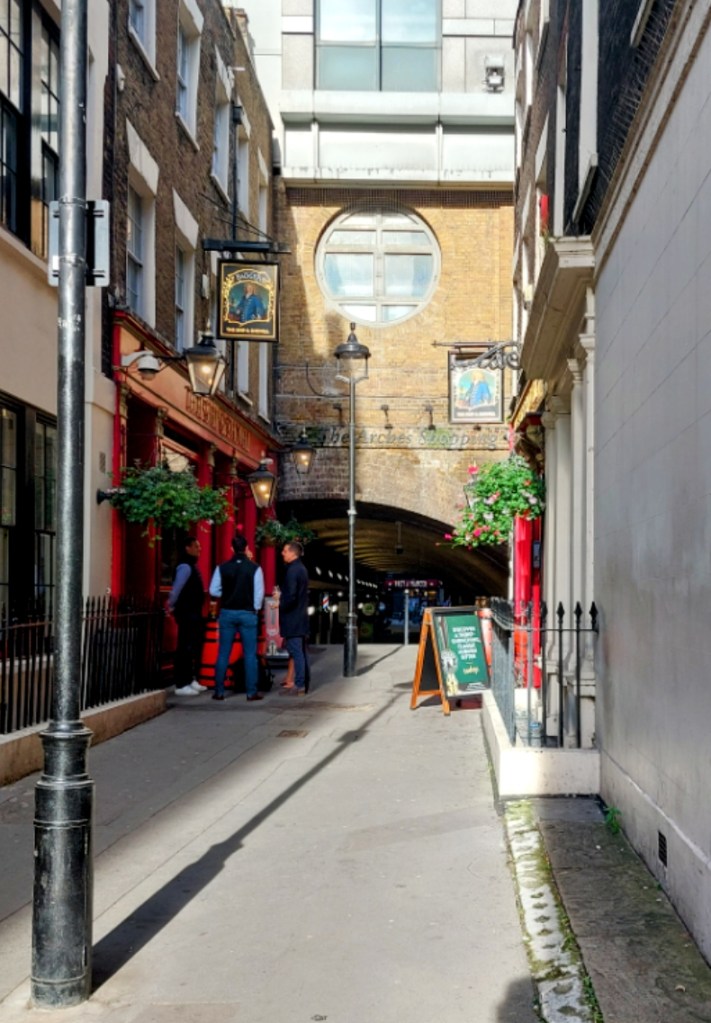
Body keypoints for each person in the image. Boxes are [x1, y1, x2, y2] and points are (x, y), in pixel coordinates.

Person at [209, 534, 265, 702]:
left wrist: (226, 593)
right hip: (248, 613)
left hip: (227, 613)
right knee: (250, 655)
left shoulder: (222, 568)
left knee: (223, 653)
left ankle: (219, 692)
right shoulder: (255, 568)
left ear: (231, 548)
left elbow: (213, 590)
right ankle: (251, 693)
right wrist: (254, 610)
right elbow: (259, 594)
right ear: (247, 548)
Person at [166, 536, 208, 696]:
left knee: (191, 647)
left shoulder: (191, 566)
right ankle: (181, 683)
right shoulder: (185, 567)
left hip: (193, 612)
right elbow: (176, 589)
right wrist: (170, 605)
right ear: (187, 548)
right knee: (184, 647)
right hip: (186, 613)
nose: (199, 549)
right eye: (196, 546)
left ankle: (190, 679)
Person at [279, 541, 310, 695]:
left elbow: (291, 596)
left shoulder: (292, 570)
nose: (282, 553)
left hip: (293, 619)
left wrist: (280, 603)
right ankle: (303, 683)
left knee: (296, 652)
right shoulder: (301, 568)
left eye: (285, 551)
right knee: (301, 652)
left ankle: (299, 685)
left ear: (293, 553)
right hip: (300, 617)